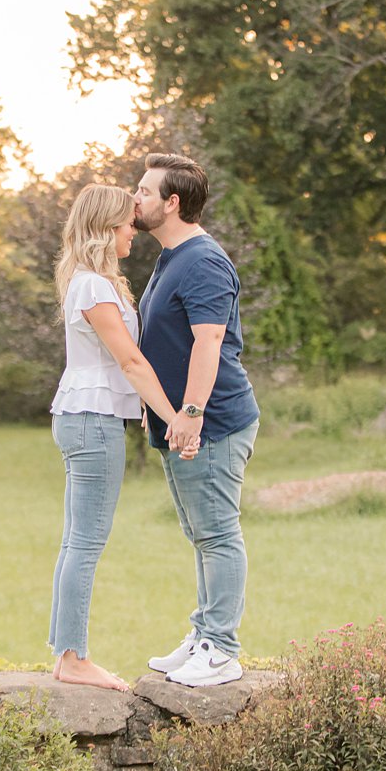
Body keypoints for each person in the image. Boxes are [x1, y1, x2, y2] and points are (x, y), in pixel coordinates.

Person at [49, 184, 198, 691]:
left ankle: (66, 654)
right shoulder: (93, 286)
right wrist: (175, 417)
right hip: (93, 419)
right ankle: (73, 657)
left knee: (76, 541)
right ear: (105, 228)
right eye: (126, 223)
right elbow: (131, 362)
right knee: (85, 543)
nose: (133, 230)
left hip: (82, 416)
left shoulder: (90, 281)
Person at [133, 153, 259, 688]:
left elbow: (209, 342)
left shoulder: (203, 261)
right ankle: (204, 633)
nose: (133, 197)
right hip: (178, 422)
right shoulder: (170, 258)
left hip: (214, 421)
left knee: (217, 533)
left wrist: (190, 411)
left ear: (172, 201)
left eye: (143, 189)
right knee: (199, 532)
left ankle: (222, 648)